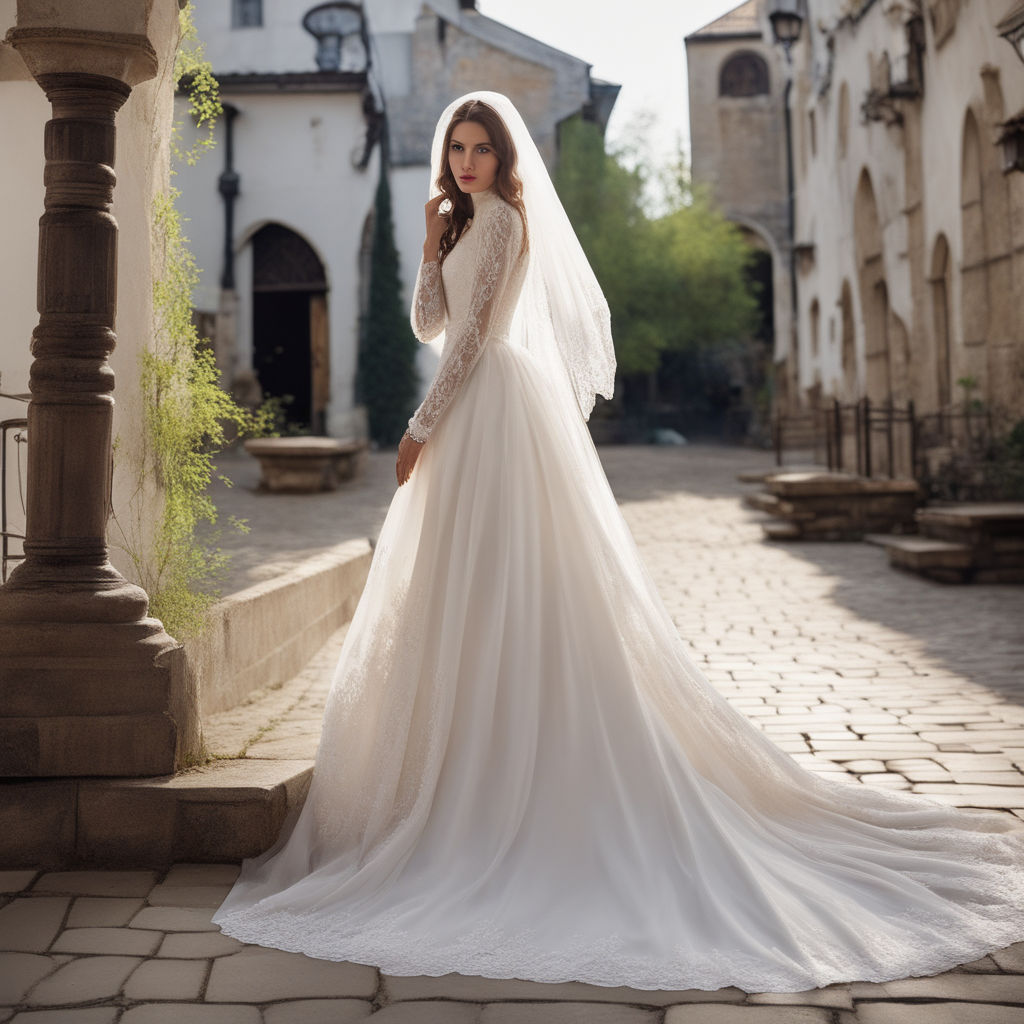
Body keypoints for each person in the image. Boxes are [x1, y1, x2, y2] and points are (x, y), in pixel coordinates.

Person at [213, 92, 1024, 993]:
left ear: (504, 157)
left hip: (492, 417)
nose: (471, 159)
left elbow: (476, 341)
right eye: (458, 147)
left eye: (482, 147)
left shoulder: (513, 223)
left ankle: (534, 778)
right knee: (458, 599)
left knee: (525, 590)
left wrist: (416, 426)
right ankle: (457, 773)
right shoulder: (458, 218)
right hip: (464, 412)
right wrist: (430, 234)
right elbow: (428, 327)